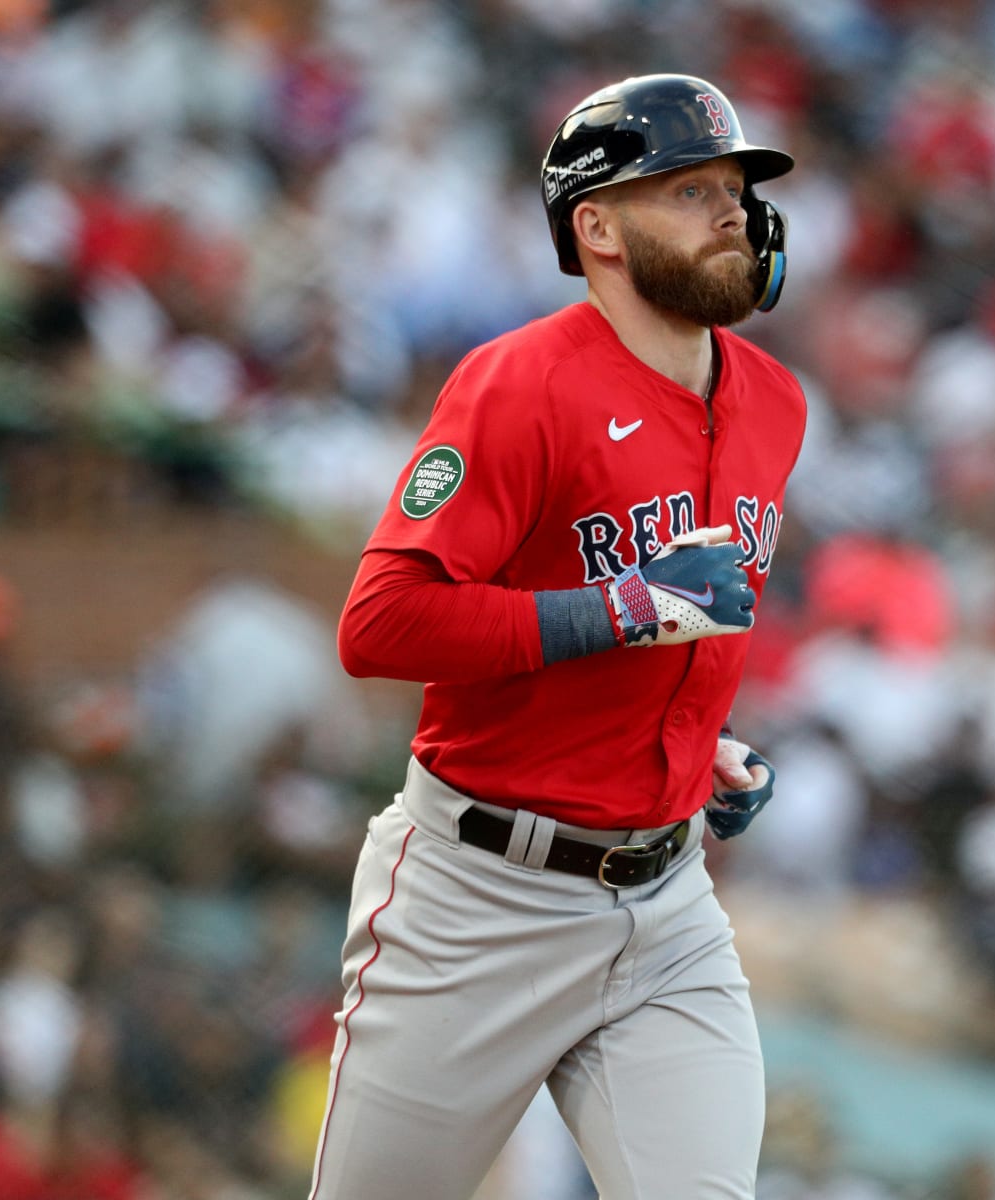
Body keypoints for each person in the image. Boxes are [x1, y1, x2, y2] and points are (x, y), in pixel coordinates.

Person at [306, 74, 805, 1200]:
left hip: (666, 906)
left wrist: (695, 740)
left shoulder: (777, 401)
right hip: (476, 902)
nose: (730, 210)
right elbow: (380, 622)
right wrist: (618, 611)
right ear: (598, 226)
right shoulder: (519, 385)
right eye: (686, 189)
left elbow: (691, 614)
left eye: (734, 187)